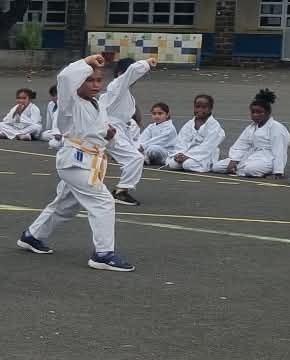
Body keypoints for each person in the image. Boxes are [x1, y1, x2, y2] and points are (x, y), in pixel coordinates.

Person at [17, 53, 133, 271]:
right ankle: (103, 254)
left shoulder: (96, 104)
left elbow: (92, 131)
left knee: (66, 206)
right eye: (89, 80)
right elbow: (65, 78)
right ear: (78, 82)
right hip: (75, 162)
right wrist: (87, 61)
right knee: (103, 202)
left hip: (88, 160)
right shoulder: (69, 102)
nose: (96, 85)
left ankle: (32, 236)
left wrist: (106, 134)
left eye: (99, 80)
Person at [99, 56, 156, 206]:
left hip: (117, 129)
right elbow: (132, 71)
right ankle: (121, 191)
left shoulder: (123, 92)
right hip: (110, 128)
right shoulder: (117, 85)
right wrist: (146, 63)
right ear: (120, 73)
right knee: (135, 158)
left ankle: (78, 187)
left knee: (94, 159)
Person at [224, 89, 290, 177]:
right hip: (252, 155)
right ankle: (239, 168)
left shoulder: (276, 127)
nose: (255, 115)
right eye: (253, 112)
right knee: (218, 167)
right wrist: (234, 160)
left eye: (259, 112)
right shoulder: (251, 127)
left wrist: (278, 171)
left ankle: (267, 171)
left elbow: (279, 151)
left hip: (268, 159)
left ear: (268, 113)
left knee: (250, 169)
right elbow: (241, 144)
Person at [169, 94, 226, 173]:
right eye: (197, 107)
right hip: (186, 154)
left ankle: (207, 166)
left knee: (187, 164)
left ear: (210, 108)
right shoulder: (189, 124)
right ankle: (184, 160)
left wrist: (188, 156)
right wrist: (179, 154)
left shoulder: (214, 126)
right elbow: (181, 141)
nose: (200, 110)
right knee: (173, 164)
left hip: (204, 156)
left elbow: (208, 146)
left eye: (204, 107)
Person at [136, 102, 178, 167]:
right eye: (154, 114)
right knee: (136, 145)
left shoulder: (170, 128)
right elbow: (143, 138)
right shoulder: (151, 126)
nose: (157, 116)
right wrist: (138, 146)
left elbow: (159, 140)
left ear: (167, 115)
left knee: (153, 148)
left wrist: (143, 146)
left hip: (165, 153)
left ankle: (145, 158)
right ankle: (144, 158)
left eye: (160, 113)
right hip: (148, 149)